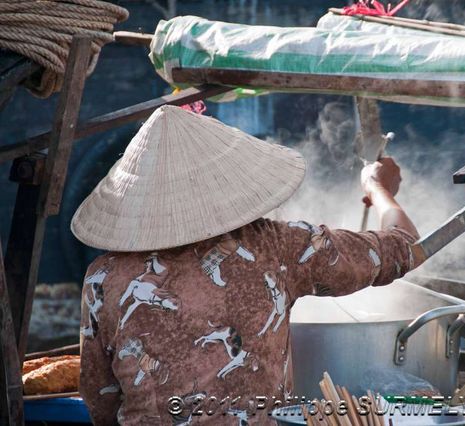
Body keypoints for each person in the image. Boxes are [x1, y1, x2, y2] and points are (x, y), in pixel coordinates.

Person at [74, 105, 426, 425]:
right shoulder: (275, 246)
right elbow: (404, 246)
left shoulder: (103, 278)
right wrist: (380, 188)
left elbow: (100, 397)